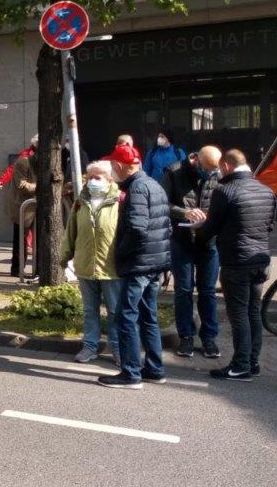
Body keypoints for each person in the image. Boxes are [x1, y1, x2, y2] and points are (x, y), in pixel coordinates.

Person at [196, 150, 277, 382]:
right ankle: (252, 362)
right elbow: (269, 225)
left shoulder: (225, 191)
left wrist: (199, 231)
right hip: (261, 260)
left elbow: (210, 229)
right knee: (254, 312)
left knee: (239, 313)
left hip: (236, 261)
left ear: (227, 166)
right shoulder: (266, 190)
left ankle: (240, 366)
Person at [97, 144, 171, 390]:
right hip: (154, 262)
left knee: (125, 318)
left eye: (113, 166)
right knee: (148, 317)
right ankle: (155, 369)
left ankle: (130, 373)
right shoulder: (153, 184)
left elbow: (138, 229)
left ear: (119, 166)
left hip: (139, 264)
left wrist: (120, 252)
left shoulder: (137, 188)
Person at [161, 146, 223, 359]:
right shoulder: (174, 172)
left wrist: (211, 216)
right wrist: (184, 212)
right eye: (206, 169)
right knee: (184, 291)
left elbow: (224, 202)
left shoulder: (217, 173)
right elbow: (163, 203)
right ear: (196, 159)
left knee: (208, 292)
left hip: (208, 242)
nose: (209, 174)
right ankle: (186, 337)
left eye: (213, 171)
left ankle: (209, 338)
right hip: (182, 241)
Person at [62, 161, 123, 365]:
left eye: (98, 177)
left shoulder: (120, 200)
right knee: (90, 311)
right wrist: (65, 255)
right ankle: (89, 346)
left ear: (110, 179)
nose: (92, 181)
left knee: (115, 311)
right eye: (90, 177)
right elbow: (71, 230)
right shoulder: (81, 201)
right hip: (86, 265)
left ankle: (118, 348)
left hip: (111, 267)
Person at [8, 151, 38, 278]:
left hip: (38, 206)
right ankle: (17, 269)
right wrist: (41, 187)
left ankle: (39, 270)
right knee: (21, 239)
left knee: (40, 240)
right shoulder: (23, 162)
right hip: (23, 207)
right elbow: (21, 185)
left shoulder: (48, 162)